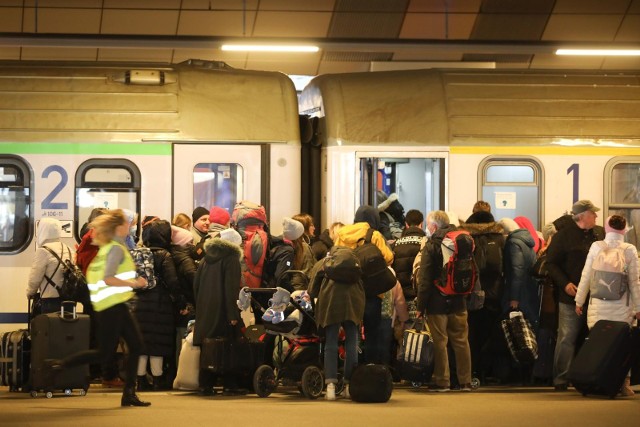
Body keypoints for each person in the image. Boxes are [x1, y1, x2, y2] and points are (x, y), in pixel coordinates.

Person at [46, 209, 150, 407]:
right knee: (105, 352)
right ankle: (59, 365)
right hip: (113, 306)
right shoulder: (116, 249)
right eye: (129, 224)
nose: (131, 227)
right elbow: (107, 278)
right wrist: (135, 283)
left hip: (112, 305)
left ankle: (129, 393)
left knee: (134, 346)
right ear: (120, 227)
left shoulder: (107, 248)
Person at [575, 215, 640, 396]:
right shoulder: (629, 250)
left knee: (599, 345)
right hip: (622, 307)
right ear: (624, 229)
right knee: (622, 346)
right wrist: (639, 308)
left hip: (598, 306)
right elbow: (635, 282)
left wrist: (579, 301)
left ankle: (597, 380)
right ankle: (623, 385)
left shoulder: (597, 247)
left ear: (606, 228)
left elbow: (586, 276)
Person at [545, 199, 604, 391]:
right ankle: (561, 379)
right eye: (592, 213)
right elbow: (551, 263)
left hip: (596, 296)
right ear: (582, 216)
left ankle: (589, 376)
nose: (596, 216)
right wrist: (565, 284)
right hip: (570, 296)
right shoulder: (563, 237)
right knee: (566, 338)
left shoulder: (599, 234)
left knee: (592, 338)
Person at [416, 210, 473, 392]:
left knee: (440, 342)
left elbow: (424, 280)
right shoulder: (463, 242)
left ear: (433, 226)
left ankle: (443, 381)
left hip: (436, 302)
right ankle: (465, 381)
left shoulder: (432, 244)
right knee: (462, 340)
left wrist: (420, 307)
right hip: (459, 301)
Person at [334, 205, 394, 364]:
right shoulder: (374, 235)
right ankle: (370, 368)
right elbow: (388, 258)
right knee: (372, 332)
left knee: (350, 331)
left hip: (348, 290)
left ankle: (350, 369)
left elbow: (335, 258)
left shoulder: (342, 234)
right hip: (371, 291)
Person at [308, 248, 365, 401]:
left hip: (332, 301)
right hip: (354, 302)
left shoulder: (325, 263)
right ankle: (348, 386)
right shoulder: (355, 264)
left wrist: (313, 297)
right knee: (352, 344)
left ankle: (331, 386)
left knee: (331, 343)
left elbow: (312, 289)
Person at [192, 227, 244, 395]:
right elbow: (231, 288)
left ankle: (205, 384)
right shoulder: (232, 259)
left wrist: (200, 306)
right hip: (223, 309)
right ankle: (230, 384)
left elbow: (196, 285)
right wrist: (233, 314)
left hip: (205, 308)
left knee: (208, 344)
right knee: (229, 343)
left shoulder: (206, 258)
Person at [134, 219, 184, 391]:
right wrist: (181, 302)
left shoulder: (138, 252)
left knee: (142, 344)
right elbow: (173, 282)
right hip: (160, 303)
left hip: (139, 303)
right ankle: (157, 379)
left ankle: (140, 380)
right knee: (158, 344)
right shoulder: (164, 255)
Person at [26, 218, 73, 315]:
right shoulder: (69, 249)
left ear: (43, 230)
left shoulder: (43, 251)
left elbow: (35, 277)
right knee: (67, 329)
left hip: (50, 299)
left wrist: (30, 292)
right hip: (69, 299)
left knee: (50, 328)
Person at [500, 217, 540, 331]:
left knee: (516, 329)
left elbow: (517, 271)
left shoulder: (513, 243)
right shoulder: (526, 241)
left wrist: (514, 298)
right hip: (528, 288)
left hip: (519, 292)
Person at [392, 209, 425, 301]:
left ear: (406, 224)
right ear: (421, 224)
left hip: (401, 297)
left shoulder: (395, 244)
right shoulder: (427, 243)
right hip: (421, 297)